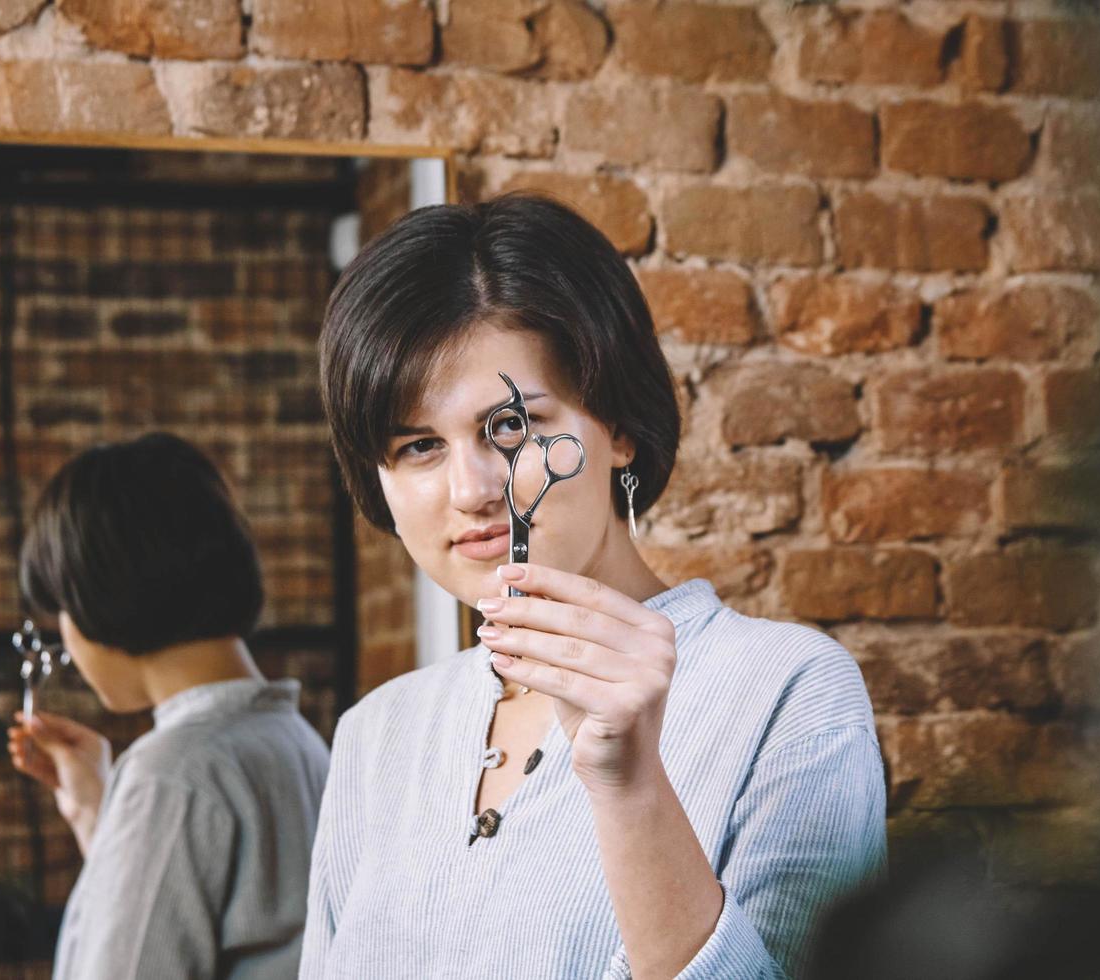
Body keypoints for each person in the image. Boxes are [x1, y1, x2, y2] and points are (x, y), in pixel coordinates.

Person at [300, 194, 887, 979]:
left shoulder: (788, 691)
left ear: (617, 427)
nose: (470, 489)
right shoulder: (378, 734)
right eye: (417, 446)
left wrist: (631, 785)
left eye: (510, 428)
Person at [6, 432, 330, 979]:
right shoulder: (296, 742)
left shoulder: (174, 775)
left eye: (60, 609)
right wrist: (96, 810)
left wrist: (136, 797)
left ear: (96, 599)